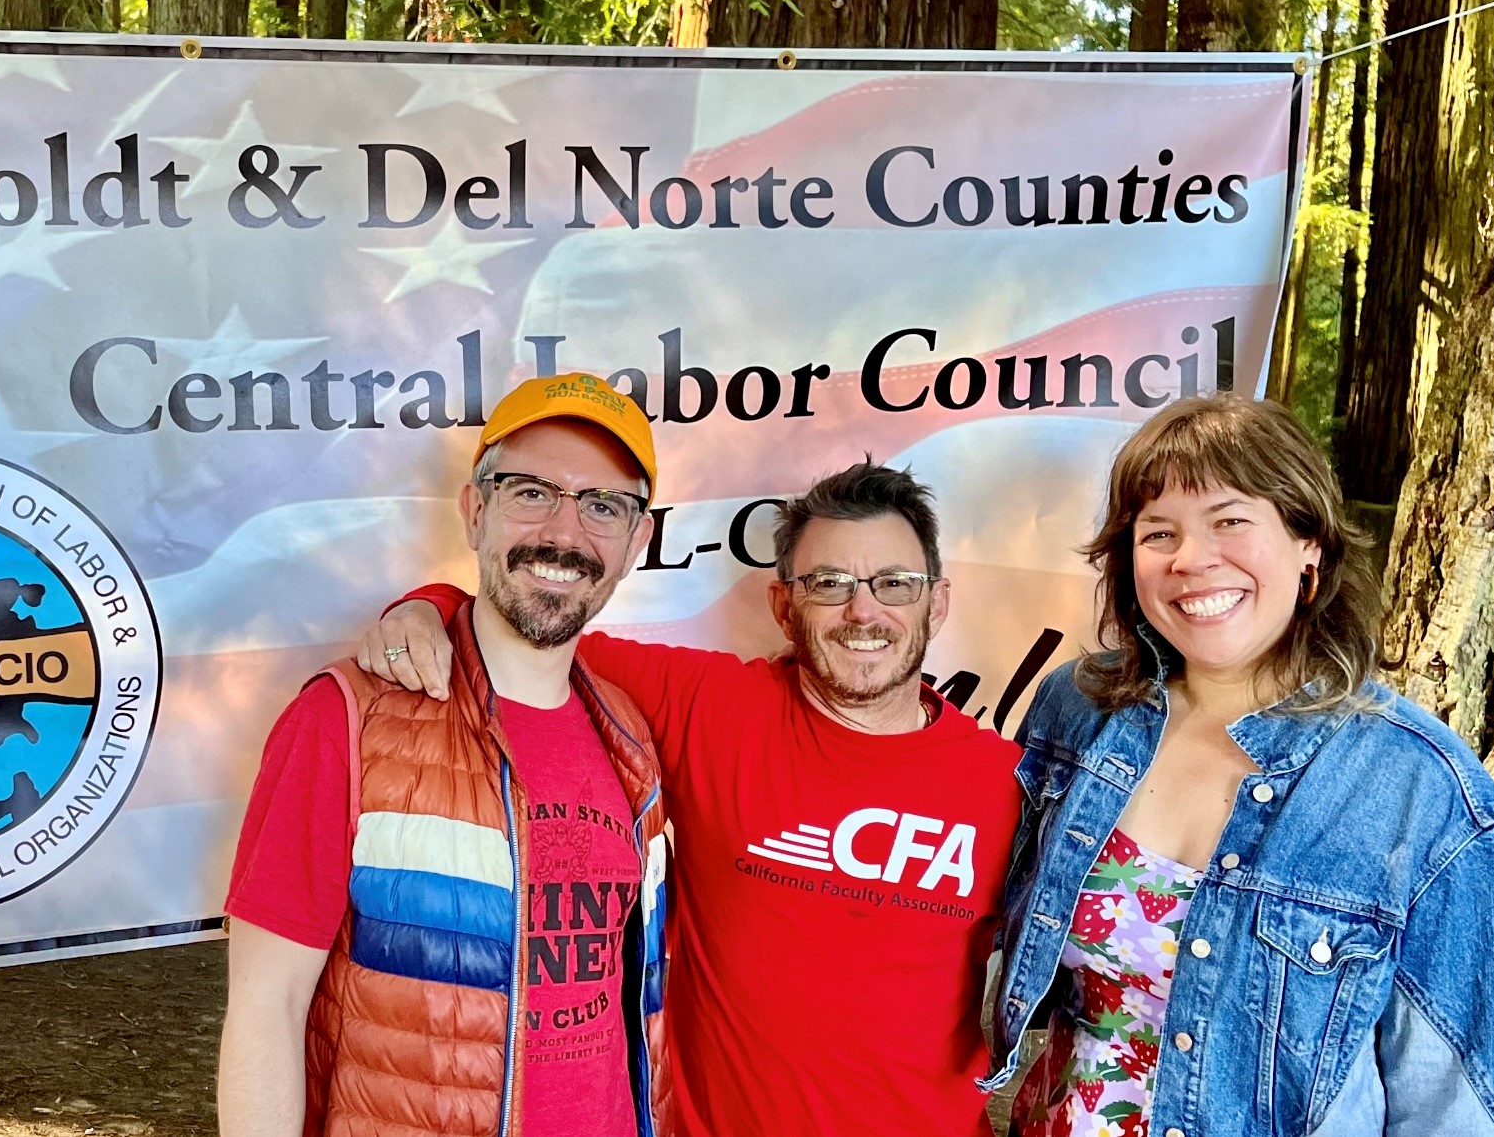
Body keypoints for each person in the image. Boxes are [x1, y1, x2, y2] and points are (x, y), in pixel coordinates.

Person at [361, 461, 1022, 1136]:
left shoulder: (1013, 787)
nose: (863, 611)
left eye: (894, 584)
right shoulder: (710, 706)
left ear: (936, 603)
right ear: (783, 607)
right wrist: (432, 606)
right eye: (828, 584)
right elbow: (526, 640)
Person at [984, 395, 1494, 1137]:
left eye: (1230, 521)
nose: (1191, 559)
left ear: (1309, 543)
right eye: (1159, 532)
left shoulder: (1427, 798)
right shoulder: (1077, 713)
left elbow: (1452, 1112)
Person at [216, 372, 676, 1137]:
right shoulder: (348, 718)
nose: (565, 533)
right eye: (532, 491)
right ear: (475, 511)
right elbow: (268, 1007)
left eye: (602, 505)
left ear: (637, 542)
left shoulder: (629, 731)